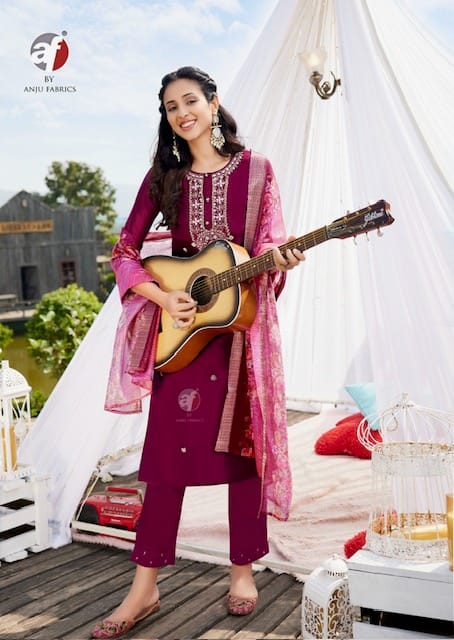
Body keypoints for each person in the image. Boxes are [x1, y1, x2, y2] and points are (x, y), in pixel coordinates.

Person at [91, 66, 305, 640]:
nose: (182, 113)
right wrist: (163, 296)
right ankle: (144, 588)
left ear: (214, 103)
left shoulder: (256, 170)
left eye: (190, 101)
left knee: (243, 456)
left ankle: (243, 572)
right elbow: (125, 250)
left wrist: (278, 258)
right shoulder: (164, 177)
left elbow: (269, 243)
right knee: (164, 462)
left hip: (236, 336)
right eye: (171, 107)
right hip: (182, 336)